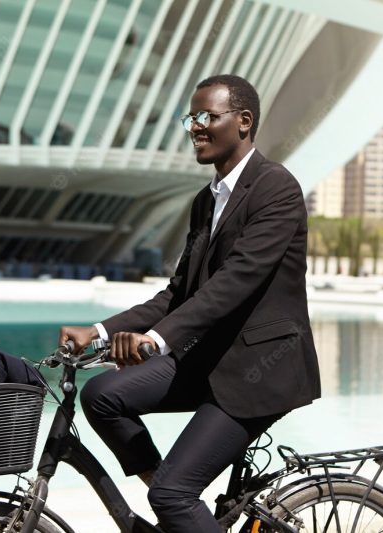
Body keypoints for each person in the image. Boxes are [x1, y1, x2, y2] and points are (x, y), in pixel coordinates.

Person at [59, 74, 320, 532]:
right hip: (208, 361)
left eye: (207, 117)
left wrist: (156, 341)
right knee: (101, 395)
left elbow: (235, 281)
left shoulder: (275, 188)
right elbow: (179, 292)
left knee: (172, 495)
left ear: (243, 122)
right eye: (191, 118)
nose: (195, 127)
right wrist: (98, 331)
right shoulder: (207, 201)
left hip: (258, 372)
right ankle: (180, 510)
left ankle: (176, 499)